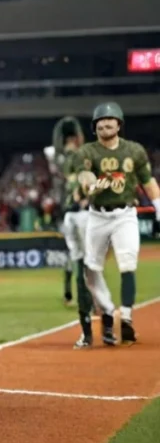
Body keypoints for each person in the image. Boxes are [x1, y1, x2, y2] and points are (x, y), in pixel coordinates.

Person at [73, 101, 159, 347]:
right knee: (91, 271)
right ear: (94, 127)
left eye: (110, 120)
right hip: (97, 215)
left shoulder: (134, 151)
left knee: (128, 262)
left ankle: (128, 318)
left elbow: (147, 181)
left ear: (119, 124)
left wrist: (159, 208)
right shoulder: (87, 151)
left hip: (125, 214)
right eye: (100, 121)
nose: (105, 123)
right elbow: (84, 174)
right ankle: (109, 310)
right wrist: (91, 184)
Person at [44, 116, 87, 309]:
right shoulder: (75, 157)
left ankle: (70, 293)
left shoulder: (59, 156)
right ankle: (83, 296)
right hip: (79, 211)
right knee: (83, 256)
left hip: (68, 212)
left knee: (74, 255)